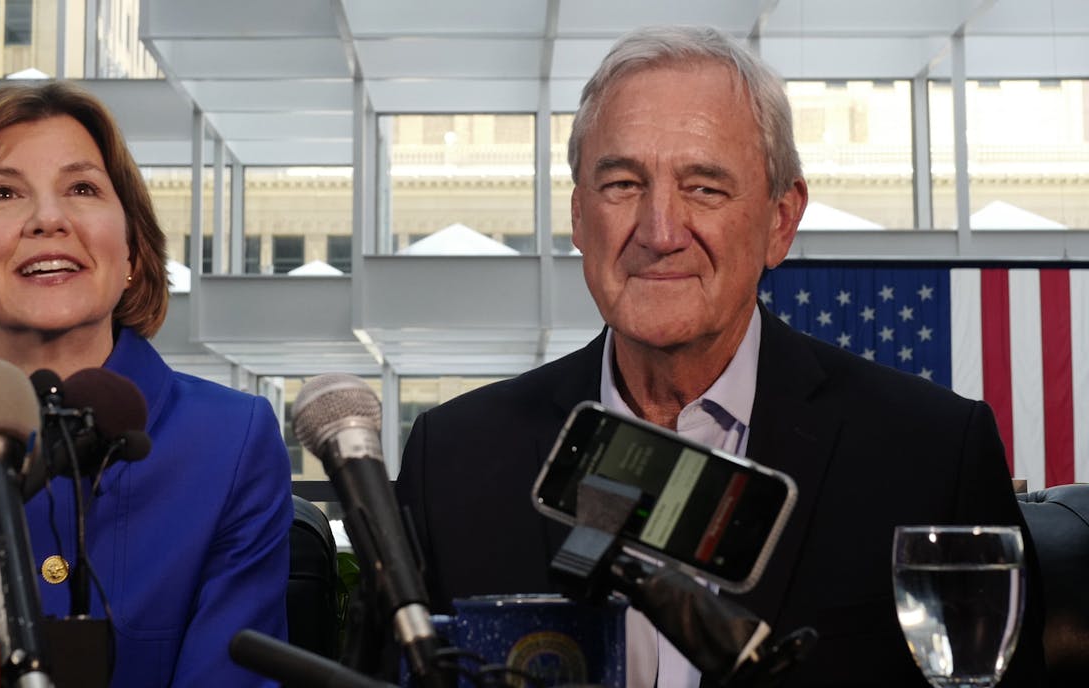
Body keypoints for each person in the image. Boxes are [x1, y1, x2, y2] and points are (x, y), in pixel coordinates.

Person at [394, 26, 1044, 688]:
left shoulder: (932, 456)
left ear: (780, 220)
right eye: (622, 184)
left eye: (704, 188)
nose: (659, 233)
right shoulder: (450, 460)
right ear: (580, 219)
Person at [0, 82, 291, 687]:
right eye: (3, 192)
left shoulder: (233, 442)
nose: (47, 219)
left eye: (82, 188)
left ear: (134, 255)